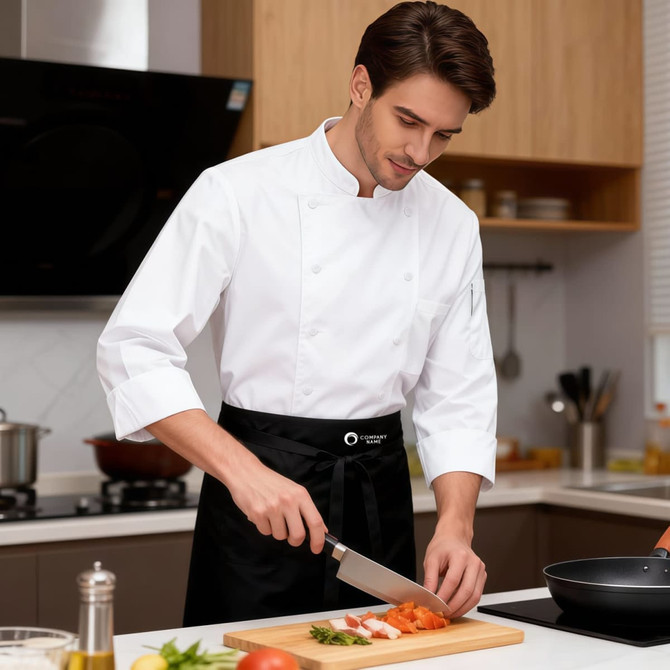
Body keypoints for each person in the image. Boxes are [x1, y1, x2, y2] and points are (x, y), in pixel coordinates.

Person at [97, 0, 497, 626]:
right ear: (361, 85)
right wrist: (242, 471)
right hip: (258, 491)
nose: (421, 151)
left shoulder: (452, 224)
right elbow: (134, 348)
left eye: (444, 134)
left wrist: (456, 525)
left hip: (380, 493)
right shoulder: (238, 192)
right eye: (409, 121)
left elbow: (459, 395)